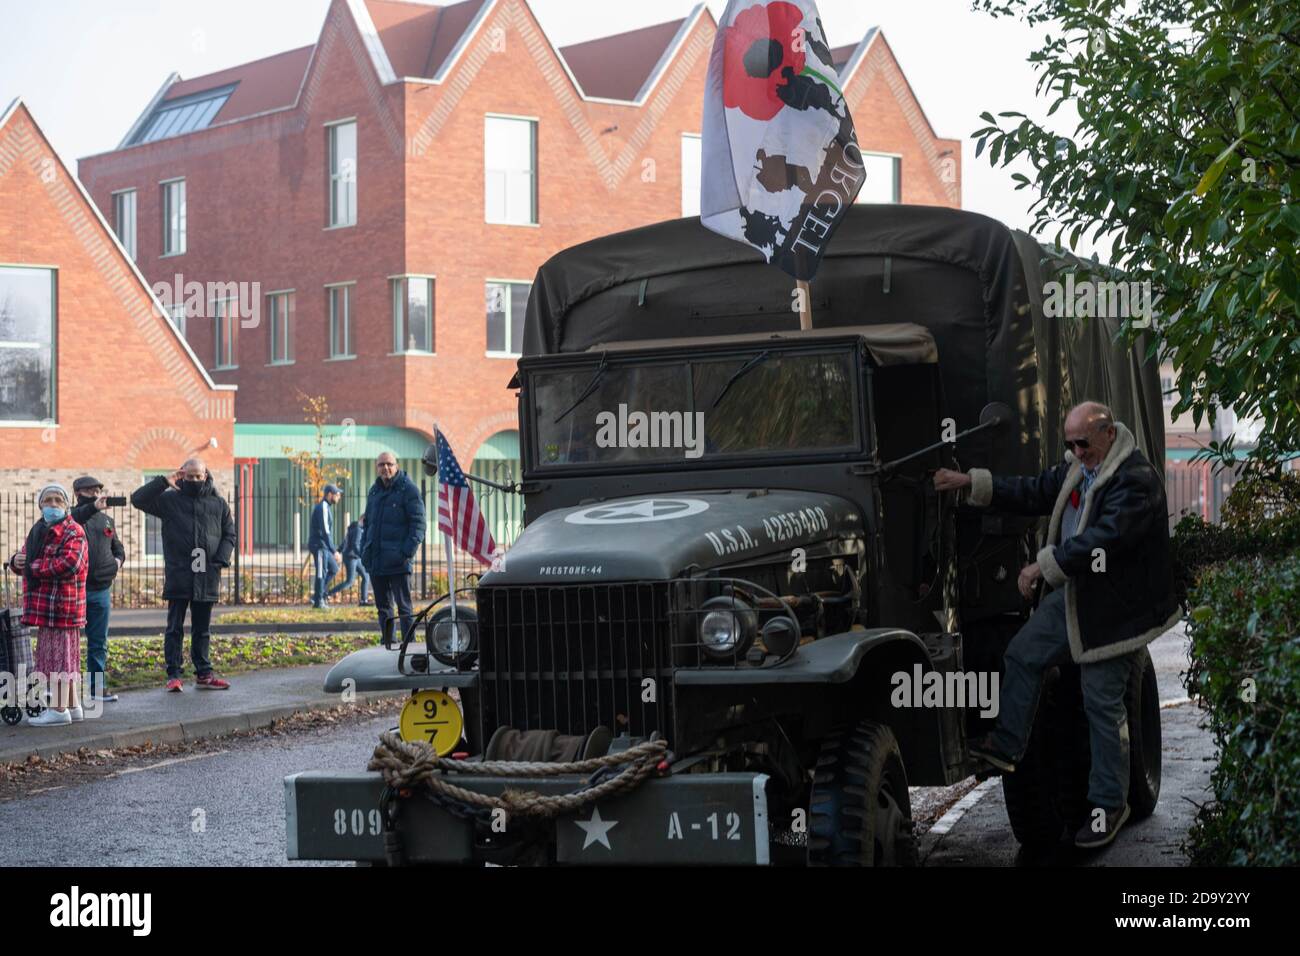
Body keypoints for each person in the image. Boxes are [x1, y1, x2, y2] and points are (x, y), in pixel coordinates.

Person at [933, 402, 1179, 850]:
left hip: (1115, 613)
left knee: (1101, 703)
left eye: (1082, 443)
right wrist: (971, 483)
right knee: (1022, 653)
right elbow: (1032, 490)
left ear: (1108, 432)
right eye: (1069, 444)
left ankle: (1109, 807)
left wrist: (1041, 568)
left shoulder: (1136, 481)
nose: (1075, 452)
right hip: (1076, 597)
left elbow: (1102, 539)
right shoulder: (1078, 467)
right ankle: (1006, 747)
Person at [131, 458, 236, 692]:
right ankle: (174, 674)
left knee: (202, 628)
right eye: (189, 477)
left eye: (199, 476)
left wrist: (219, 560)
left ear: (206, 475)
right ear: (182, 476)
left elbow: (230, 534)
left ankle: (204, 673)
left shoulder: (218, 504)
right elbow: (137, 499)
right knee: (174, 627)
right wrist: (163, 482)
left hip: (207, 575)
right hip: (180, 573)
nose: (195, 480)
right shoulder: (169, 500)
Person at [4, 484, 88, 725]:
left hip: (62, 605)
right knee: (64, 658)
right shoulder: (38, 530)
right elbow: (24, 557)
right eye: (48, 500)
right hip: (45, 606)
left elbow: (70, 564)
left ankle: (58, 710)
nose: (52, 505)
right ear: (40, 505)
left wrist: (31, 567)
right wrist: (15, 561)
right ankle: (73, 705)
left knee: (58, 660)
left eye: (57, 500)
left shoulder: (74, 530)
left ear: (66, 504)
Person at [361, 452, 425, 646]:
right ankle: (388, 643)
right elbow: (368, 523)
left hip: (398, 561)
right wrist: (365, 549)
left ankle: (409, 645)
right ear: (376, 467)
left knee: (404, 607)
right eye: (381, 465)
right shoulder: (374, 491)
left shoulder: (409, 490)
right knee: (383, 608)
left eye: (389, 464)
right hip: (377, 561)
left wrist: (406, 552)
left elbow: (418, 524)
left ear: (396, 465)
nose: (385, 468)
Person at [71, 476, 125, 704]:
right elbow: (75, 517)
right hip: (74, 590)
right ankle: (70, 689)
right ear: (77, 493)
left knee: (98, 642)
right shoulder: (70, 518)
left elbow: (119, 549)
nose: (95, 494)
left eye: (97, 490)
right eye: (89, 491)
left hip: (101, 589)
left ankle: (97, 688)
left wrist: (117, 563)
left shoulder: (107, 521)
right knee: (70, 641)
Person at [308, 484, 343, 609]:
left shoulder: (326, 507)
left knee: (334, 568)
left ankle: (319, 595)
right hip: (319, 546)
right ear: (329, 494)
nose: (339, 497)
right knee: (321, 573)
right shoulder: (322, 507)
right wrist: (334, 551)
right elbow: (325, 532)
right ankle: (318, 602)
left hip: (324, 546)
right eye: (337, 494)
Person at [328, 513, 371, 605]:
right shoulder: (358, 529)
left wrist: (339, 550)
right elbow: (355, 544)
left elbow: (345, 541)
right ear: (363, 519)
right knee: (350, 581)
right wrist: (362, 555)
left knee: (366, 576)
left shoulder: (353, 527)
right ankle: (328, 594)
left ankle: (364, 600)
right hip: (352, 557)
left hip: (353, 557)